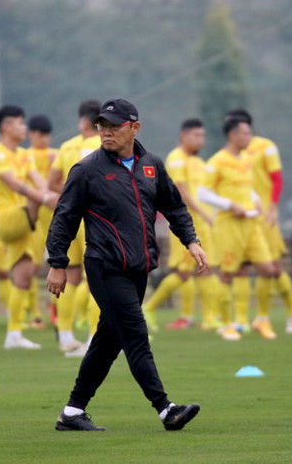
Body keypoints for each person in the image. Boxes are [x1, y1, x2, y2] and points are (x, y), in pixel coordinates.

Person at [47, 98, 203, 432]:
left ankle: (72, 412)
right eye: (101, 125)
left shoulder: (151, 165)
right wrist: (58, 263)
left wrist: (191, 241)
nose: (105, 132)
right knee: (135, 334)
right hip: (104, 266)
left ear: (134, 128)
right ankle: (166, 410)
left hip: (138, 268)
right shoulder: (86, 169)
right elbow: (64, 217)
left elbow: (174, 207)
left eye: (114, 126)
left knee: (108, 342)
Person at [0, 105, 57, 350]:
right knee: (37, 199)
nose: (24, 127)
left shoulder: (24, 154)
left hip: (23, 219)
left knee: (24, 276)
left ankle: (13, 335)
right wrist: (46, 198)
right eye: (20, 123)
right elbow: (14, 184)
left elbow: (39, 181)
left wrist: (50, 194)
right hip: (4, 217)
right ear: (6, 127)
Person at [198, 116, 278, 341]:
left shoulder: (246, 159)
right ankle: (226, 324)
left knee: (268, 269)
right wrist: (229, 205)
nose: (249, 137)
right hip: (228, 225)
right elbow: (203, 193)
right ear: (232, 135)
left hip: (251, 223)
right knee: (226, 274)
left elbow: (245, 187)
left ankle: (261, 319)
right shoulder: (217, 161)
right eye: (246, 133)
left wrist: (255, 198)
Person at [143, 118, 220, 331]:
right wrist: (203, 213)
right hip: (185, 225)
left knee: (205, 268)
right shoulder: (176, 158)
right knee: (184, 272)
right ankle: (148, 307)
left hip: (202, 224)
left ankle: (209, 317)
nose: (201, 140)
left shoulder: (198, 162)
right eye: (196, 135)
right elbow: (181, 192)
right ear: (184, 136)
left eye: (202, 136)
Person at [233, 109, 292, 336]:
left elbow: (277, 179)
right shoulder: (230, 155)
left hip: (264, 218)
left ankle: (291, 314)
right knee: (240, 269)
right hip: (241, 219)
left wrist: (271, 209)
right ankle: (242, 320)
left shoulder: (266, 147)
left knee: (274, 269)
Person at [47, 100, 102, 355]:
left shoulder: (67, 146)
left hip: (71, 218)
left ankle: (66, 336)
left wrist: (72, 196)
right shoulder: (103, 144)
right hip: (94, 219)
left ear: (82, 122)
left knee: (70, 275)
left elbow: (52, 182)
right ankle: (93, 339)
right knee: (96, 280)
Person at [26, 114, 58, 330]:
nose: (44, 139)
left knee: (59, 264)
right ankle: (35, 314)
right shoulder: (24, 156)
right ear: (31, 134)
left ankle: (55, 309)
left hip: (55, 218)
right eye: (40, 135)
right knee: (31, 266)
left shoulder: (56, 154)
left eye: (47, 135)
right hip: (35, 220)